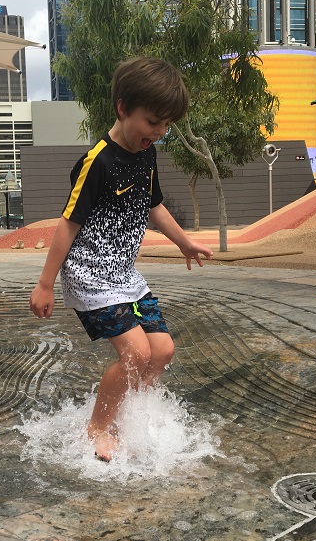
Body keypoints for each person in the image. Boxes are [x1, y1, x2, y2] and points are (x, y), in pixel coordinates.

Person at [29, 57, 213, 462]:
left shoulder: (146, 155)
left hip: (123, 273)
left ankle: (126, 410)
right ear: (122, 107)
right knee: (136, 353)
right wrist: (45, 283)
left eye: (167, 125)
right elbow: (67, 224)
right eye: (152, 122)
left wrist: (184, 242)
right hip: (90, 275)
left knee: (162, 350)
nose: (160, 133)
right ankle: (99, 425)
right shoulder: (97, 161)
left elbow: (153, 205)